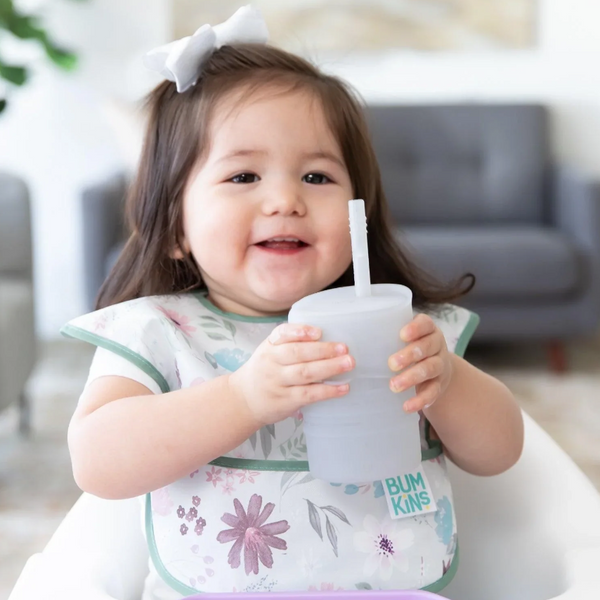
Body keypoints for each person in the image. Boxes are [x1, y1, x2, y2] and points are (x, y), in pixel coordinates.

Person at [63, 6, 524, 598]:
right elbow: (98, 461)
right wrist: (242, 397)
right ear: (175, 226)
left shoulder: (399, 328)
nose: (285, 200)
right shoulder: (161, 331)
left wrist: (447, 382)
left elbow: (502, 451)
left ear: (361, 215)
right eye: (243, 177)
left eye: (316, 178)